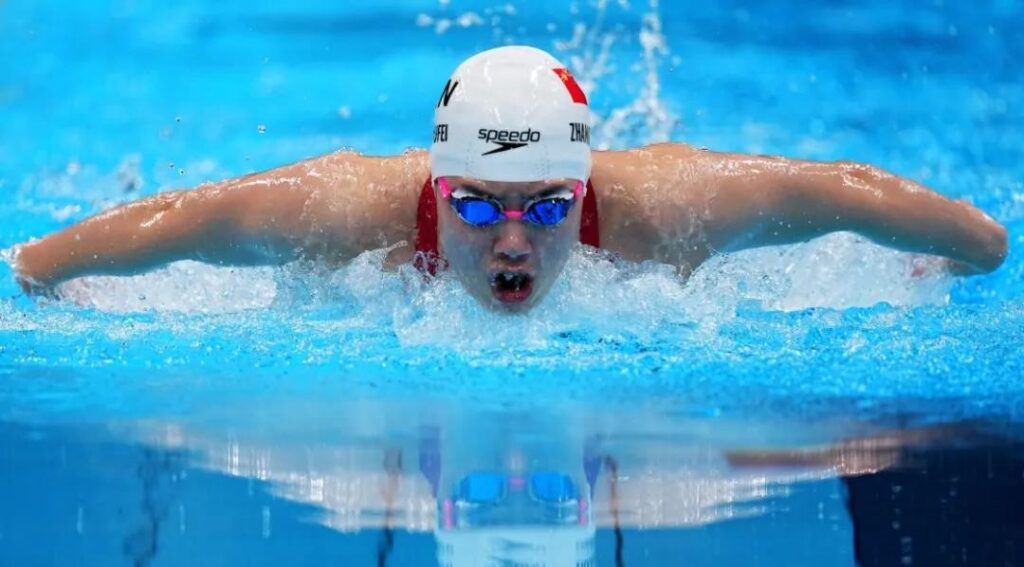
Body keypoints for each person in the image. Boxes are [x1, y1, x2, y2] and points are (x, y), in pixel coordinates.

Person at [10, 46, 1008, 312]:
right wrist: (43, 270)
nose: (514, 240)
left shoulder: (668, 208)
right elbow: (191, 216)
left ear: (585, 190)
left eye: (547, 207)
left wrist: (973, 248)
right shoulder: (350, 213)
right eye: (478, 206)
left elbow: (837, 185)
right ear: (436, 189)